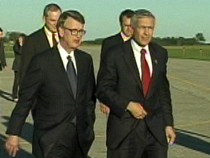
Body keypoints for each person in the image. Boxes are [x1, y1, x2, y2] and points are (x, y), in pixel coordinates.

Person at [5, 10, 96, 158]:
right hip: (51, 137)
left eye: (81, 31)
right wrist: (14, 132)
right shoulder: (42, 61)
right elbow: (26, 99)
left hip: (80, 138)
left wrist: (89, 124)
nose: (78, 36)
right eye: (73, 31)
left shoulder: (85, 60)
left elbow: (90, 97)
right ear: (61, 31)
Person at [97, 9, 176, 158]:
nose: (147, 33)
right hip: (125, 131)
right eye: (142, 28)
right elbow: (103, 89)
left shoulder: (160, 53)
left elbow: (163, 92)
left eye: (150, 28)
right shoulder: (115, 53)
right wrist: (128, 105)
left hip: (154, 131)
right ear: (133, 28)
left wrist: (168, 124)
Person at [100, 9, 134, 115]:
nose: (129, 29)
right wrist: (103, 99)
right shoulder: (109, 43)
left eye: (132, 25)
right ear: (120, 24)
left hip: (136, 97)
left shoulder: (139, 43)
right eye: (126, 25)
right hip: (115, 97)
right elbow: (103, 72)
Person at [20, 3, 62, 81]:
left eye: (58, 20)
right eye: (52, 20)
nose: (56, 24)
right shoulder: (32, 40)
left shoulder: (65, 38)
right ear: (44, 19)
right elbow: (25, 70)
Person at [11, 33, 26, 102]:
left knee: (23, 82)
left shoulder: (26, 46)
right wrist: (20, 45)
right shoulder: (16, 46)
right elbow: (20, 52)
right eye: (20, 39)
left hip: (24, 66)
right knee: (16, 82)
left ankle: (22, 95)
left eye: (22, 39)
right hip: (17, 66)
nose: (21, 40)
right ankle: (14, 95)